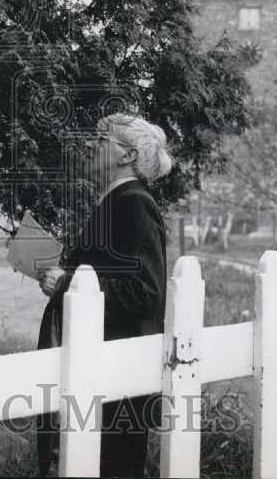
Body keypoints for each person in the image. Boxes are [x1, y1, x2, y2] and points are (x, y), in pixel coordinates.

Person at [36, 113, 172, 478]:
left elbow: (145, 292)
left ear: (127, 156)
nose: (90, 146)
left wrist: (66, 285)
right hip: (102, 372)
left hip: (119, 378)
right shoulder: (114, 202)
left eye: (100, 140)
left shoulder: (134, 203)